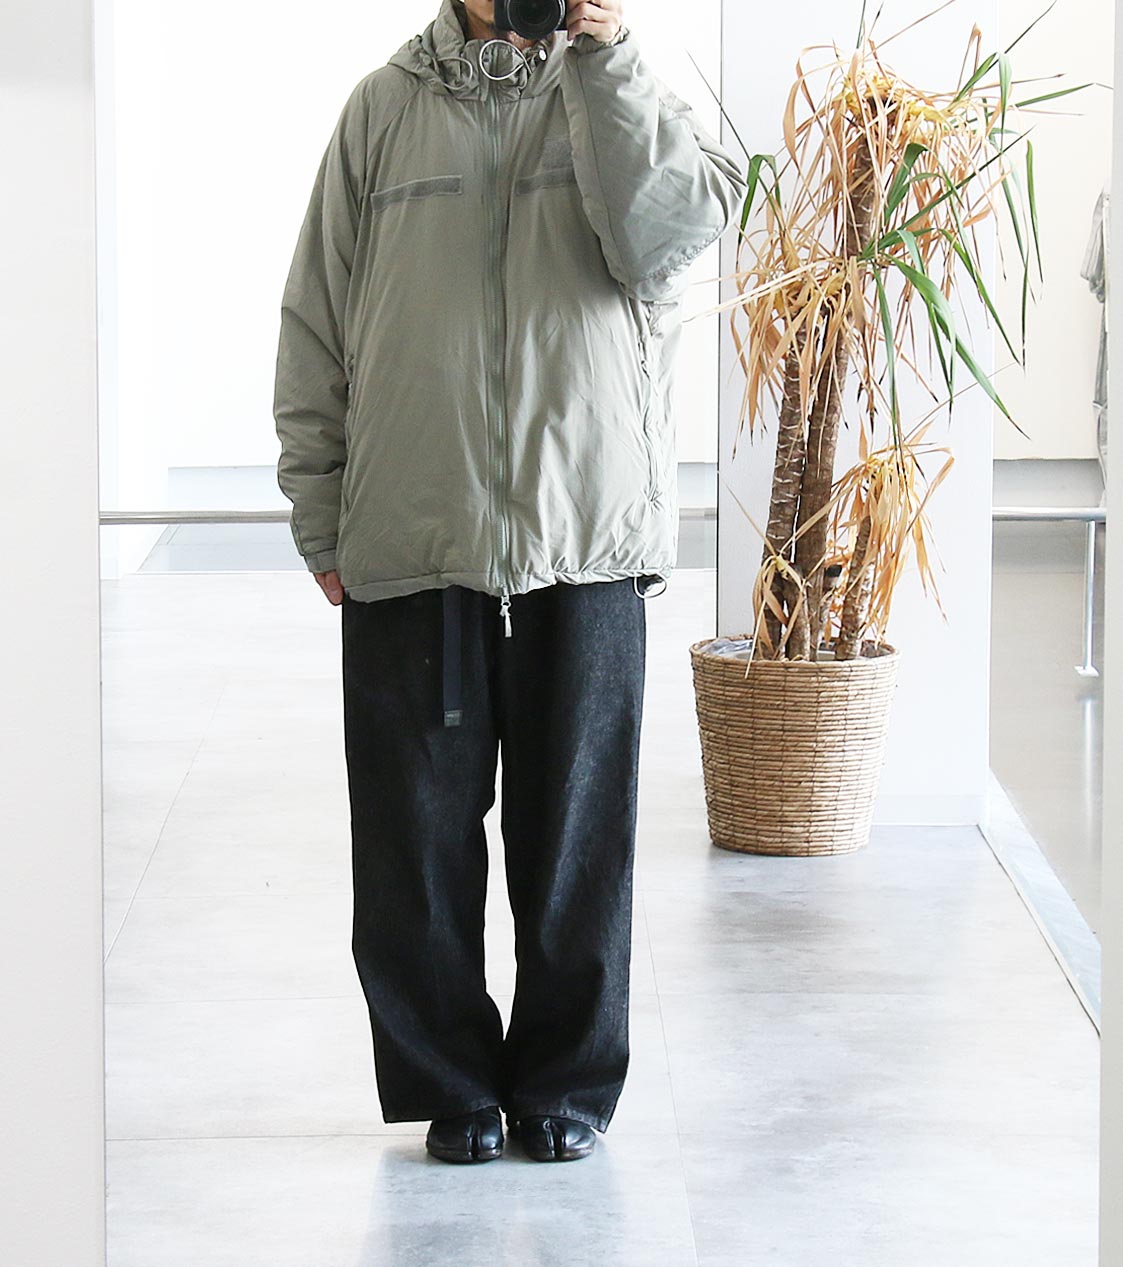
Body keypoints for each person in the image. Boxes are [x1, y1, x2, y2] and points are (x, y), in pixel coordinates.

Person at [272, 0, 745, 1163]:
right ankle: (448, 1081)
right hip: (414, 530)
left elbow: (672, 238)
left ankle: (566, 1084)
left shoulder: (619, 89)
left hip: (584, 533)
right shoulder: (382, 111)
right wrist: (321, 508)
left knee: (578, 838)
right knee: (412, 843)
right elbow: (316, 322)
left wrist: (607, 63)